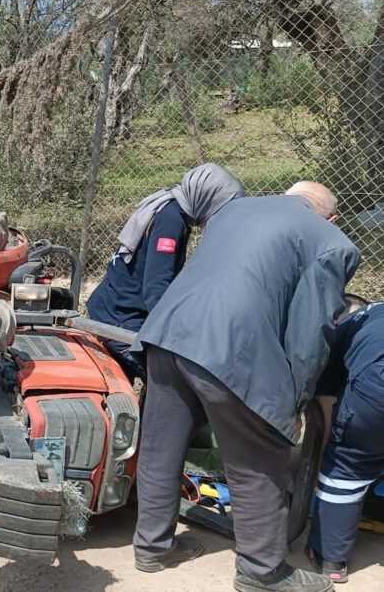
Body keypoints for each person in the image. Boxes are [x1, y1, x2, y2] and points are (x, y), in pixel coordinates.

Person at [130, 181, 361, 592]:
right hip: (231, 348)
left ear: (288, 196)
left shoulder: (235, 209)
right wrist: (295, 400)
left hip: (166, 333)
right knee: (261, 457)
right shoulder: (333, 242)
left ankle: (151, 547)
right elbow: (311, 334)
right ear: (331, 216)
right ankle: (261, 571)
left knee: (160, 448)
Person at [86, 162, 244, 383]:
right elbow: (156, 287)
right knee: (173, 384)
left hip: (116, 308)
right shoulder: (171, 221)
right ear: (209, 199)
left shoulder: (172, 208)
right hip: (120, 318)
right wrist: (177, 336)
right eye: (221, 208)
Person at [305, 293, 384, 585]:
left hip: (379, 380)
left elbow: (325, 406)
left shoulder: (341, 332)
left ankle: (330, 558)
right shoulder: (376, 315)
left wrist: (326, 454)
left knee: (347, 464)